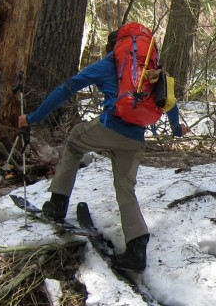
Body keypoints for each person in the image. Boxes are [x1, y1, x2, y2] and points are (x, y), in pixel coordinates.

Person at [18, 29, 189, 271]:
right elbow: (170, 103)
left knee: (75, 140)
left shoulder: (108, 64)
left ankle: (57, 204)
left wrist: (33, 117)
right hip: (135, 138)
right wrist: (176, 130)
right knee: (125, 188)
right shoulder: (150, 70)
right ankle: (136, 250)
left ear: (114, 47)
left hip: (110, 127)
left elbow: (68, 88)